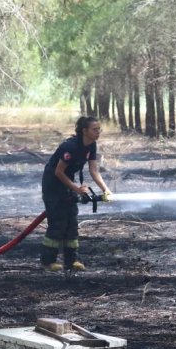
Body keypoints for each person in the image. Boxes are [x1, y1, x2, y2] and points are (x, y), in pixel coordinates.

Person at [40, 116, 112, 271]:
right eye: (95, 129)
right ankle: (48, 261)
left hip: (68, 182)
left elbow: (94, 170)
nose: (98, 132)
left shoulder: (92, 145)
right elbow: (58, 172)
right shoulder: (70, 147)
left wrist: (105, 189)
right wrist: (76, 188)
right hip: (52, 184)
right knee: (57, 223)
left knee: (71, 221)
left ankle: (71, 261)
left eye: (99, 129)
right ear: (84, 131)